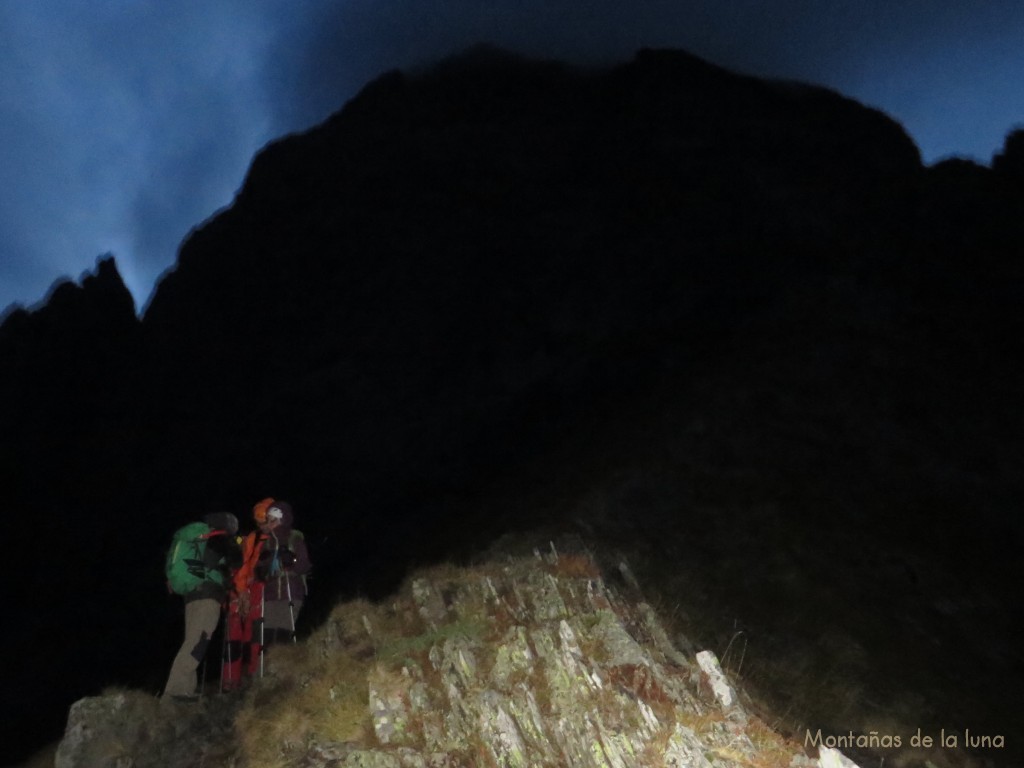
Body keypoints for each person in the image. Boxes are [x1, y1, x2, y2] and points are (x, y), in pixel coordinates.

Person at [222, 498, 311, 688]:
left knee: (284, 635)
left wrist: (290, 565)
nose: (268, 524)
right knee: (267, 637)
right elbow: (257, 570)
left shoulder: (294, 537)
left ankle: (285, 678)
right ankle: (265, 681)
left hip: (289, 593)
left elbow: (304, 565)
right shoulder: (263, 543)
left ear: (282, 519)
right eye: (266, 520)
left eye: (272, 520)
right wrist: (265, 569)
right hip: (270, 596)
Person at [162, 511, 240, 702]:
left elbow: (203, 564)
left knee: (193, 640)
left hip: (193, 595)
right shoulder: (216, 539)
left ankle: (185, 690)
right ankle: (174, 691)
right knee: (198, 641)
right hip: (208, 596)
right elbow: (224, 562)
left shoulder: (197, 538)